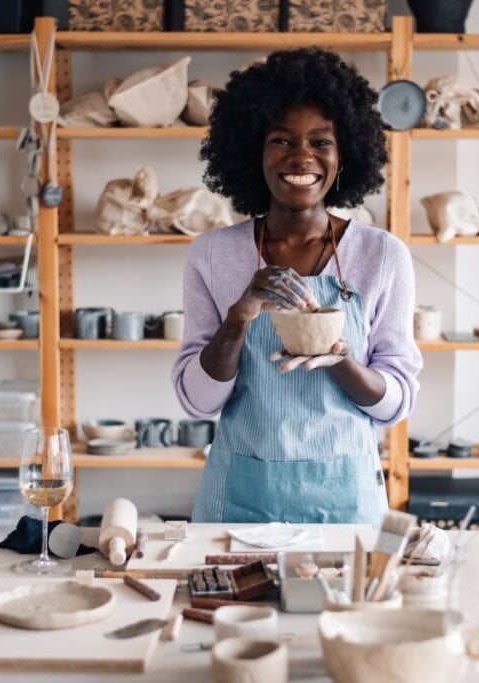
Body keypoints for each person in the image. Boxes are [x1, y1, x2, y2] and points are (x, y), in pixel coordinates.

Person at [171, 48, 422, 526]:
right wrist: (241, 313)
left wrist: (341, 359)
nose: (302, 158)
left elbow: (395, 404)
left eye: (320, 142)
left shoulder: (382, 255)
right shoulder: (212, 254)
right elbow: (197, 401)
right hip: (239, 500)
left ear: (345, 152)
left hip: (347, 499)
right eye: (282, 141)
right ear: (254, 152)